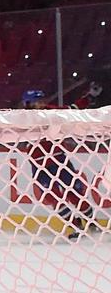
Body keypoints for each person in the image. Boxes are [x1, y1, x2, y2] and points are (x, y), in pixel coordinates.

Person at [23, 89, 97, 240]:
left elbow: (72, 110)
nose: (42, 103)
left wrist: (88, 97)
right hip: (40, 167)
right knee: (54, 199)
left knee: (74, 194)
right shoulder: (21, 118)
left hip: (59, 161)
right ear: (28, 104)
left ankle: (93, 224)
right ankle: (76, 226)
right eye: (38, 101)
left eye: (42, 100)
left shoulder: (52, 112)